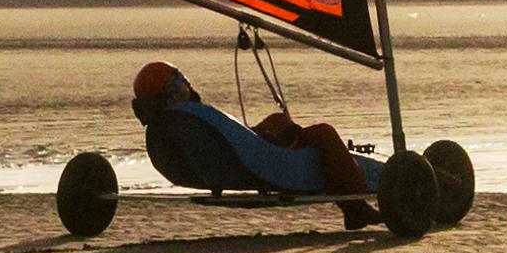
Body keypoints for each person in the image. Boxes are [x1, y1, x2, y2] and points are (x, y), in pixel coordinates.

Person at [131, 56, 374, 204]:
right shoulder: (192, 115)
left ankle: (289, 136)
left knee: (277, 120)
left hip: (231, 163)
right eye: (180, 80)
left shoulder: (165, 125)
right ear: (172, 89)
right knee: (324, 133)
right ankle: (356, 206)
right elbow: (249, 151)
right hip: (263, 165)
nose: (186, 85)